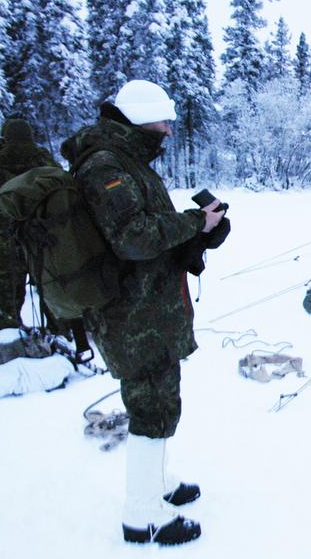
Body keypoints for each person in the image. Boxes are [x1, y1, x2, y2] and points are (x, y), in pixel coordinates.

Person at [60, 80, 226, 545]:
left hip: (149, 306)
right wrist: (196, 221)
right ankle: (141, 515)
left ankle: (157, 484)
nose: (170, 130)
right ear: (140, 118)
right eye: (163, 120)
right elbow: (133, 238)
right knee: (151, 407)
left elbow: (147, 235)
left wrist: (200, 236)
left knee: (159, 402)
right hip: (131, 315)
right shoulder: (105, 166)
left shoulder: (127, 161)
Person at [0, 119, 59, 331]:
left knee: (8, 289)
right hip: (44, 237)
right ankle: (61, 332)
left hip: (5, 239)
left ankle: (7, 336)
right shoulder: (44, 160)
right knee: (51, 286)